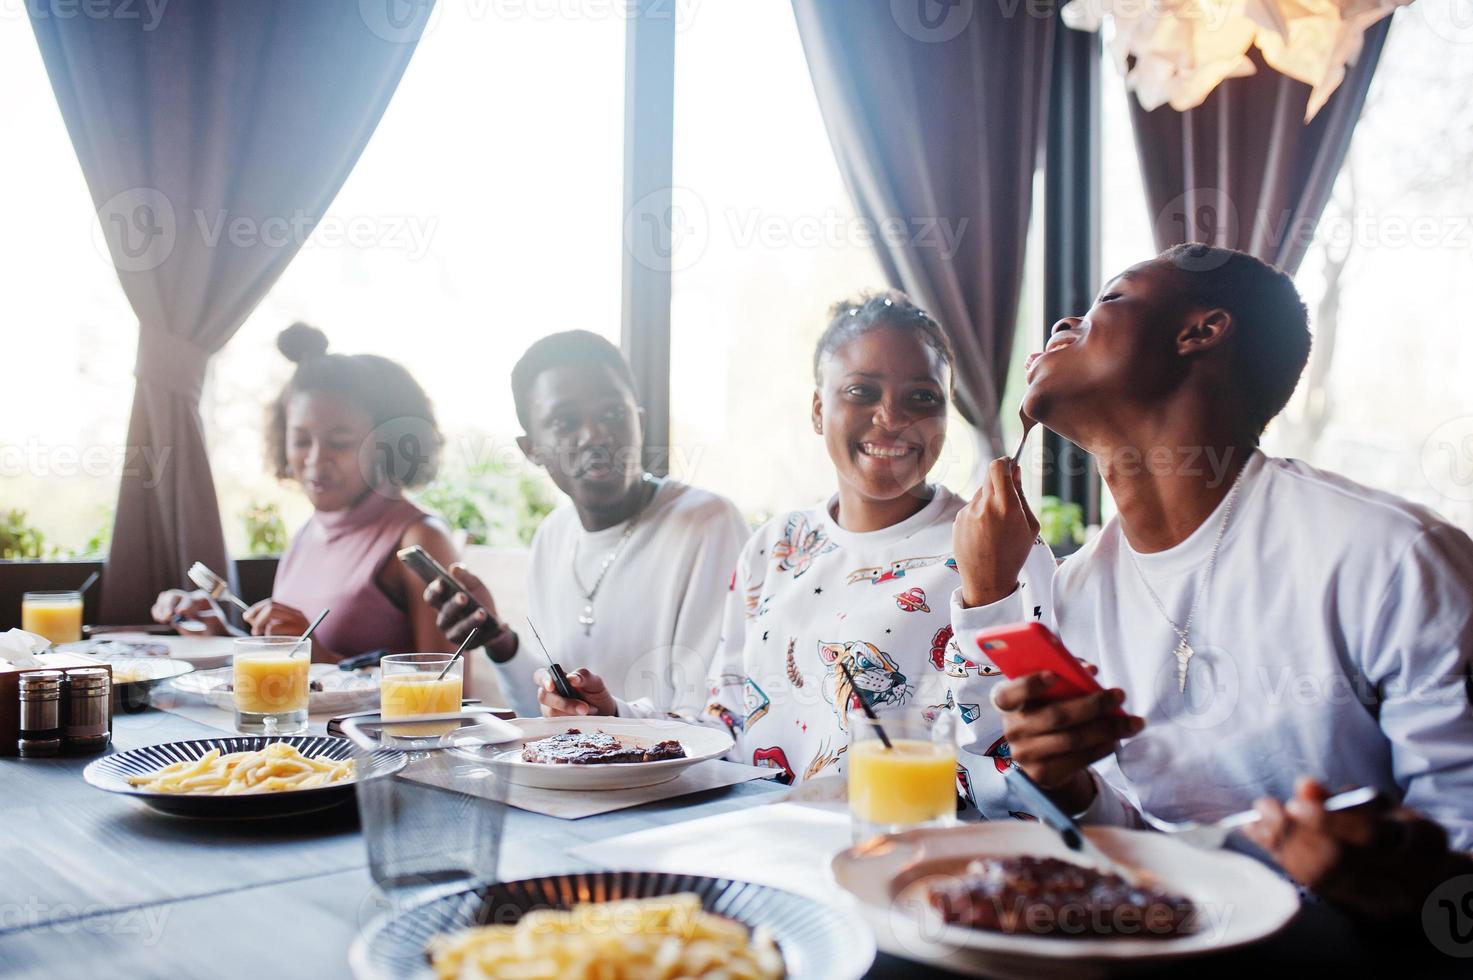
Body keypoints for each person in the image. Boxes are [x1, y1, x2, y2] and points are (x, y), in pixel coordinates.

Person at [954, 244, 1473, 921]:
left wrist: (1386, 876)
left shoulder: (1393, 557)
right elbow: (1137, 839)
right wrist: (1072, 783)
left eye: (1107, 301)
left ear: (1199, 331)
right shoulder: (1078, 589)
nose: (1060, 326)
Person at [538, 294, 1056, 810]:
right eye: (861, 390)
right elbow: (730, 725)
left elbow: (1019, 757)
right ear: (817, 409)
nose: (891, 416)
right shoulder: (776, 547)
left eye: (922, 397)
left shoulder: (998, 545)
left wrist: (988, 598)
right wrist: (618, 720)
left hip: (913, 852)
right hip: (773, 848)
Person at [424, 330, 748, 717]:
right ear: (532, 451)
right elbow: (552, 717)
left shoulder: (705, 524)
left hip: (681, 776)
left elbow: (715, 720)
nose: (596, 435)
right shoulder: (553, 535)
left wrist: (611, 716)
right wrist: (499, 641)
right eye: (565, 421)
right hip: (578, 773)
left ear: (639, 423)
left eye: (613, 414)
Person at [151, 323, 459, 662]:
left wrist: (315, 656)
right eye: (300, 441)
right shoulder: (307, 534)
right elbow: (291, 665)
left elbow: (449, 693)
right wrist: (221, 635)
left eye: (339, 442)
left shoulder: (419, 540)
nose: (314, 460)